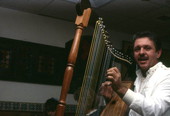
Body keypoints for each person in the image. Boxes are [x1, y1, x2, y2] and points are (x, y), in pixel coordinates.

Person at [100, 31, 170, 116]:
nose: (141, 52)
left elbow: (155, 110)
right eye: (137, 49)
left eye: (147, 48)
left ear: (158, 53)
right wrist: (109, 98)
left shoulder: (167, 75)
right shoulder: (139, 76)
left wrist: (120, 89)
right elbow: (134, 109)